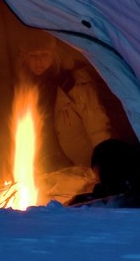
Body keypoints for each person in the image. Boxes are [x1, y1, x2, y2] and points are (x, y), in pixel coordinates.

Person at [17, 36, 116, 174]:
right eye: (33, 55)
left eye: (44, 54)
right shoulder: (26, 88)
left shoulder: (75, 83)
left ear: (55, 55)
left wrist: (104, 166)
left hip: (83, 165)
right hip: (49, 166)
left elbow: (98, 127)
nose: (38, 60)